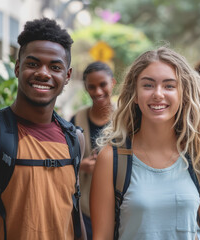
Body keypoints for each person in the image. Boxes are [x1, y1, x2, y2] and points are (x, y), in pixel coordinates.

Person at [0, 18, 87, 239]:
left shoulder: (75, 139)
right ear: (18, 67)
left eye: (55, 67)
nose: (43, 73)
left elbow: (73, 217)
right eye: (33, 63)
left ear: (67, 76)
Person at [90, 47, 200, 240]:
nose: (158, 94)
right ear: (135, 95)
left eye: (169, 86)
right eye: (148, 85)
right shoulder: (112, 158)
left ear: (183, 94)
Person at [70, 61, 116, 239]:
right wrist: (81, 165)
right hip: (87, 208)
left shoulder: (127, 118)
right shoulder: (77, 119)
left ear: (112, 83)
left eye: (103, 85)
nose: (98, 92)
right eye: (92, 87)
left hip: (121, 205)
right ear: (86, 88)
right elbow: (67, 160)